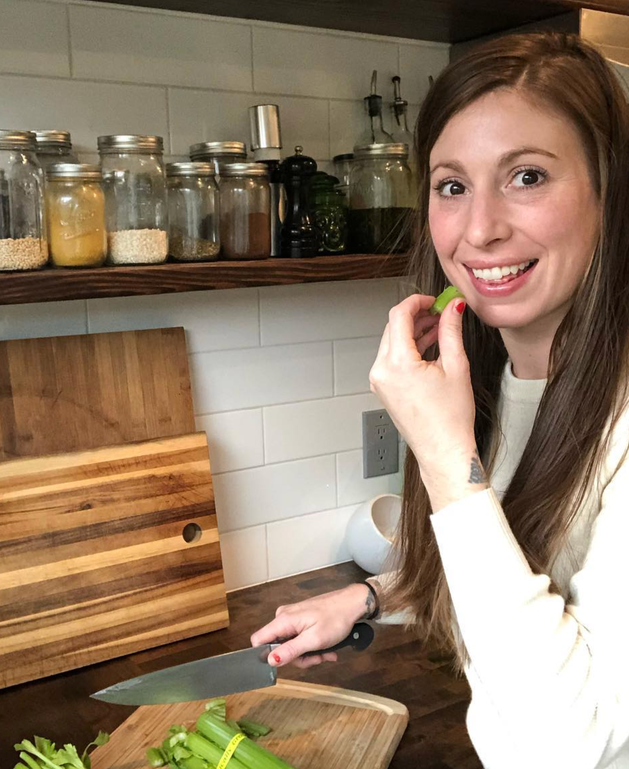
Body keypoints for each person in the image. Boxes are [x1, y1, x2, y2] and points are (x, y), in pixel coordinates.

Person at [251, 32, 629, 769]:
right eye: (452, 186)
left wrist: (447, 460)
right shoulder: (491, 377)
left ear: (609, 192)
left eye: (526, 176)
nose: (480, 228)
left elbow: (570, 746)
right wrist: (372, 597)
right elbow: (527, 564)